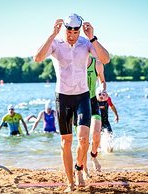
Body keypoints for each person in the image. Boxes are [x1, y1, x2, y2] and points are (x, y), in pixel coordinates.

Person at [34, 13, 110, 191]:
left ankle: (79, 168)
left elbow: (105, 59)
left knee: (84, 139)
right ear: (64, 29)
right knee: (66, 142)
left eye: (76, 31)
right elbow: (37, 58)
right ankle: (70, 182)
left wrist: (93, 37)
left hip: (82, 95)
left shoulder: (86, 43)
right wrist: (51, 34)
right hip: (63, 97)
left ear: (79, 30)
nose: (72, 35)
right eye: (69, 31)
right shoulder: (56, 43)